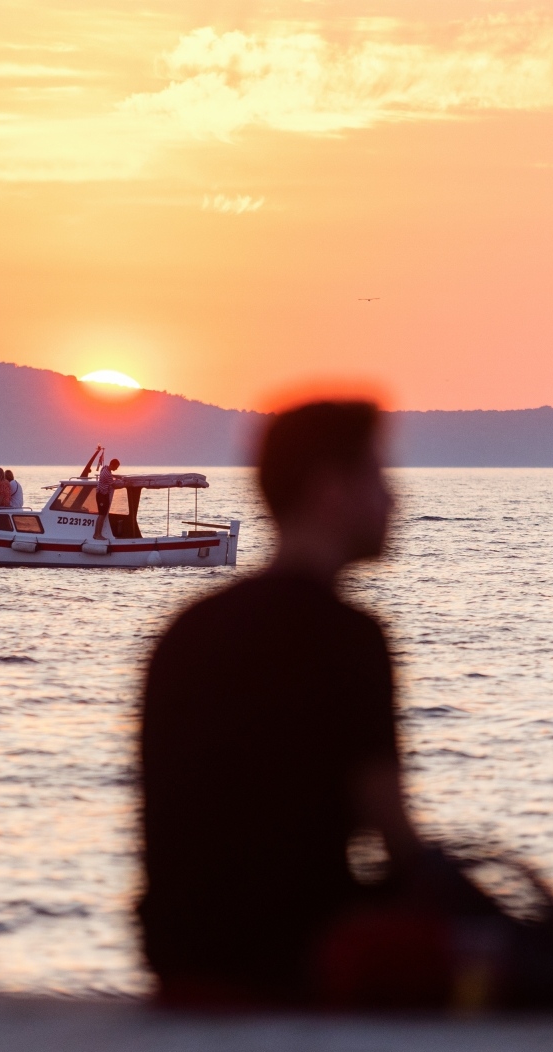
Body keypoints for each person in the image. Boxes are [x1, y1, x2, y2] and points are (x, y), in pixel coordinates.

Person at [138, 401, 427, 1006]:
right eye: (378, 476)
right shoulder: (350, 638)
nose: (394, 500)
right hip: (298, 960)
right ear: (329, 491)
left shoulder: (188, 630)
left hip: (182, 958)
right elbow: (397, 840)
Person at [93, 458, 120, 539]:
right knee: (102, 515)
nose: (116, 469)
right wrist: (126, 484)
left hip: (101, 494)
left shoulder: (104, 468)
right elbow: (114, 485)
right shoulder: (107, 474)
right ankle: (97, 535)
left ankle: (97, 534)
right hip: (102, 495)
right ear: (112, 465)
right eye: (116, 467)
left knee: (102, 515)